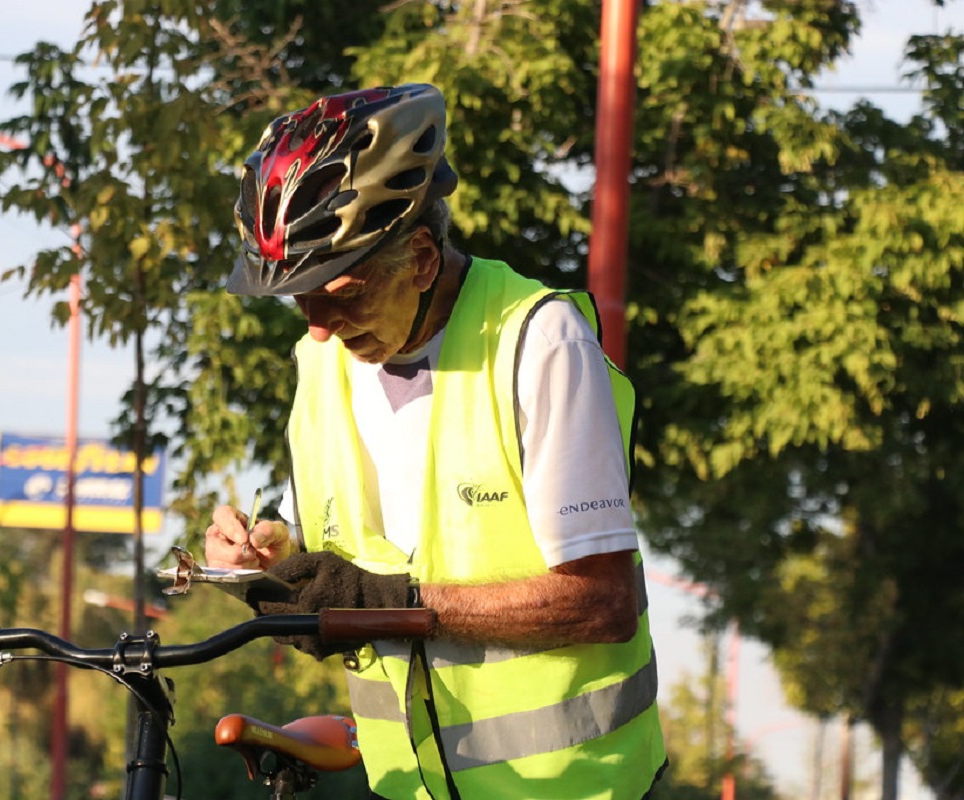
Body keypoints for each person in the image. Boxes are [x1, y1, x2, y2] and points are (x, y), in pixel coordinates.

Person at [204, 83, 667, 799]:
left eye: (342, 291)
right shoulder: (324, 359)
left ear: (421, 258)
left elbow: (600, 602)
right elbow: (338, 554)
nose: (318, 326)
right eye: (300, 299)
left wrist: (391, 602)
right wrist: (267, 563)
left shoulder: (538, 343)